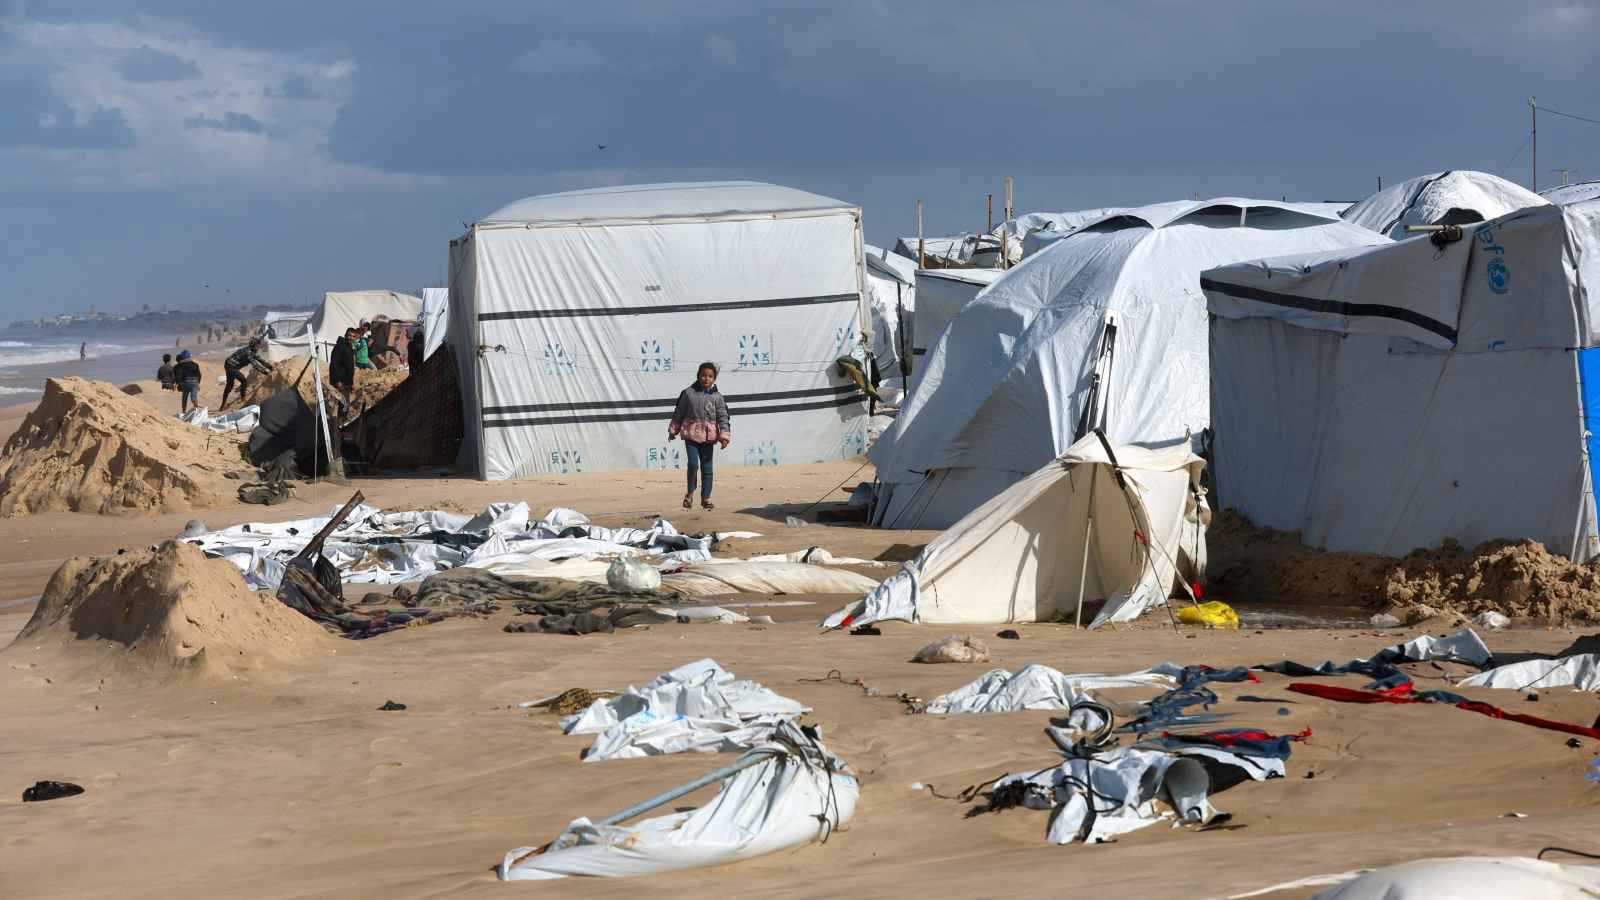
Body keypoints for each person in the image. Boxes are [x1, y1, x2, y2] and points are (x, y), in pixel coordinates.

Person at [667, 362, 731, 510]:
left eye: (710, 376)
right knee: (693, 464)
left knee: (707, 468)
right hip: (691, 435)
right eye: (703, 375)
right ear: (698, 376)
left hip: (709, 437)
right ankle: (689, 494)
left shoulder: (718, 397)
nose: (706, 379)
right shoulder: (688, 393)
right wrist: (673, 430)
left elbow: (723, 417)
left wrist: (724, 436)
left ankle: (706, 498)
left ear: (714, 379)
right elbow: (679, 413)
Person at [220, 337, 271, 408]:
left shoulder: (250, 350)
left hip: (229, 364)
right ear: (254, 346)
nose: (259, 348)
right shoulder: (248, 353)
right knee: (243, 381)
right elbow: (256, 365)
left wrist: (270, 367)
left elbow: (261, 360)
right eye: (257, 346)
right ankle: (242, 399)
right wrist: (266, 373)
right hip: (231, 366)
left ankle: (223, 405)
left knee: (230, 385)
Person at [329, 327, 357, 416]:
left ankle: (338, 423)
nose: (350, 338)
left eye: (353, 336)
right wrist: (337, 381)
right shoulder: (340, 347)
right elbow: (334, 364)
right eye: (349, 335)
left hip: (346, 381)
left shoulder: (349, 347)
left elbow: (349, 367)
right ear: (345, 335)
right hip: (341, 381)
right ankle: (339, 425)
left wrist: (351, 383)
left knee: (343, 404)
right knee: (344, 405)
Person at [173, 350, 201, 414]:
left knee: (184, 397)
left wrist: (177, 384)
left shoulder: (179, 366)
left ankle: (184, 411)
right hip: (195, 382)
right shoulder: (195, 364)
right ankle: (196, 408)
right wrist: (198, 383)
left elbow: (178, 376)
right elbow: (199, 375)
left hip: (186, 383)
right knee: (193, 398)